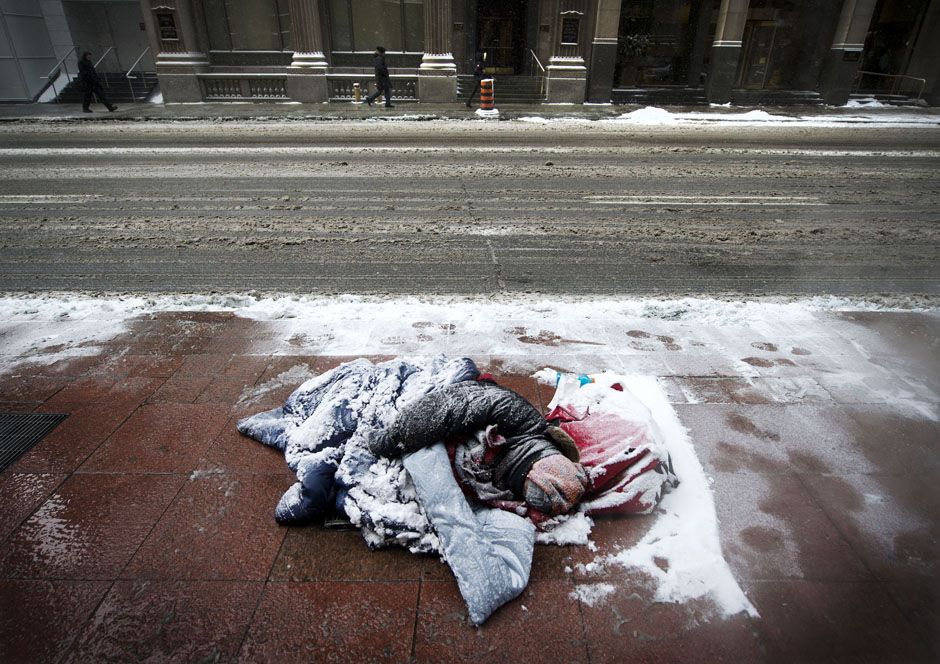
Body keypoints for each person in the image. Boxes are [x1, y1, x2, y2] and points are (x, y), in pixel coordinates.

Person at [371, 379, 589, 516]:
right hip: (463, 398)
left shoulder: (514, 466)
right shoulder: (519, 418)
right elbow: (448, 409)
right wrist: (389, 440)